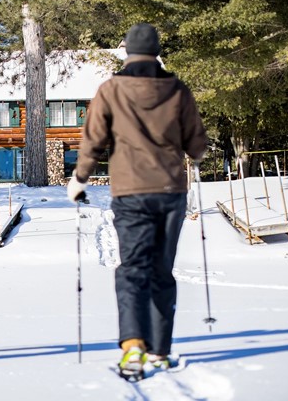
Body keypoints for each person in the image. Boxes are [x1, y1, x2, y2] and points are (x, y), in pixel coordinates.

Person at [67, 23, 208, 380]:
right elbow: (197, 145)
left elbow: (93, 140)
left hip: (130, 193)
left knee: (132, 269)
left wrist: (79, 178)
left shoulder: (111, 90)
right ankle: (159, 351)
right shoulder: (177, 90)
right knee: (162, 270)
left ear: (127, 52)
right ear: (157, 51)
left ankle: (133, 347)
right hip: (170, 192)